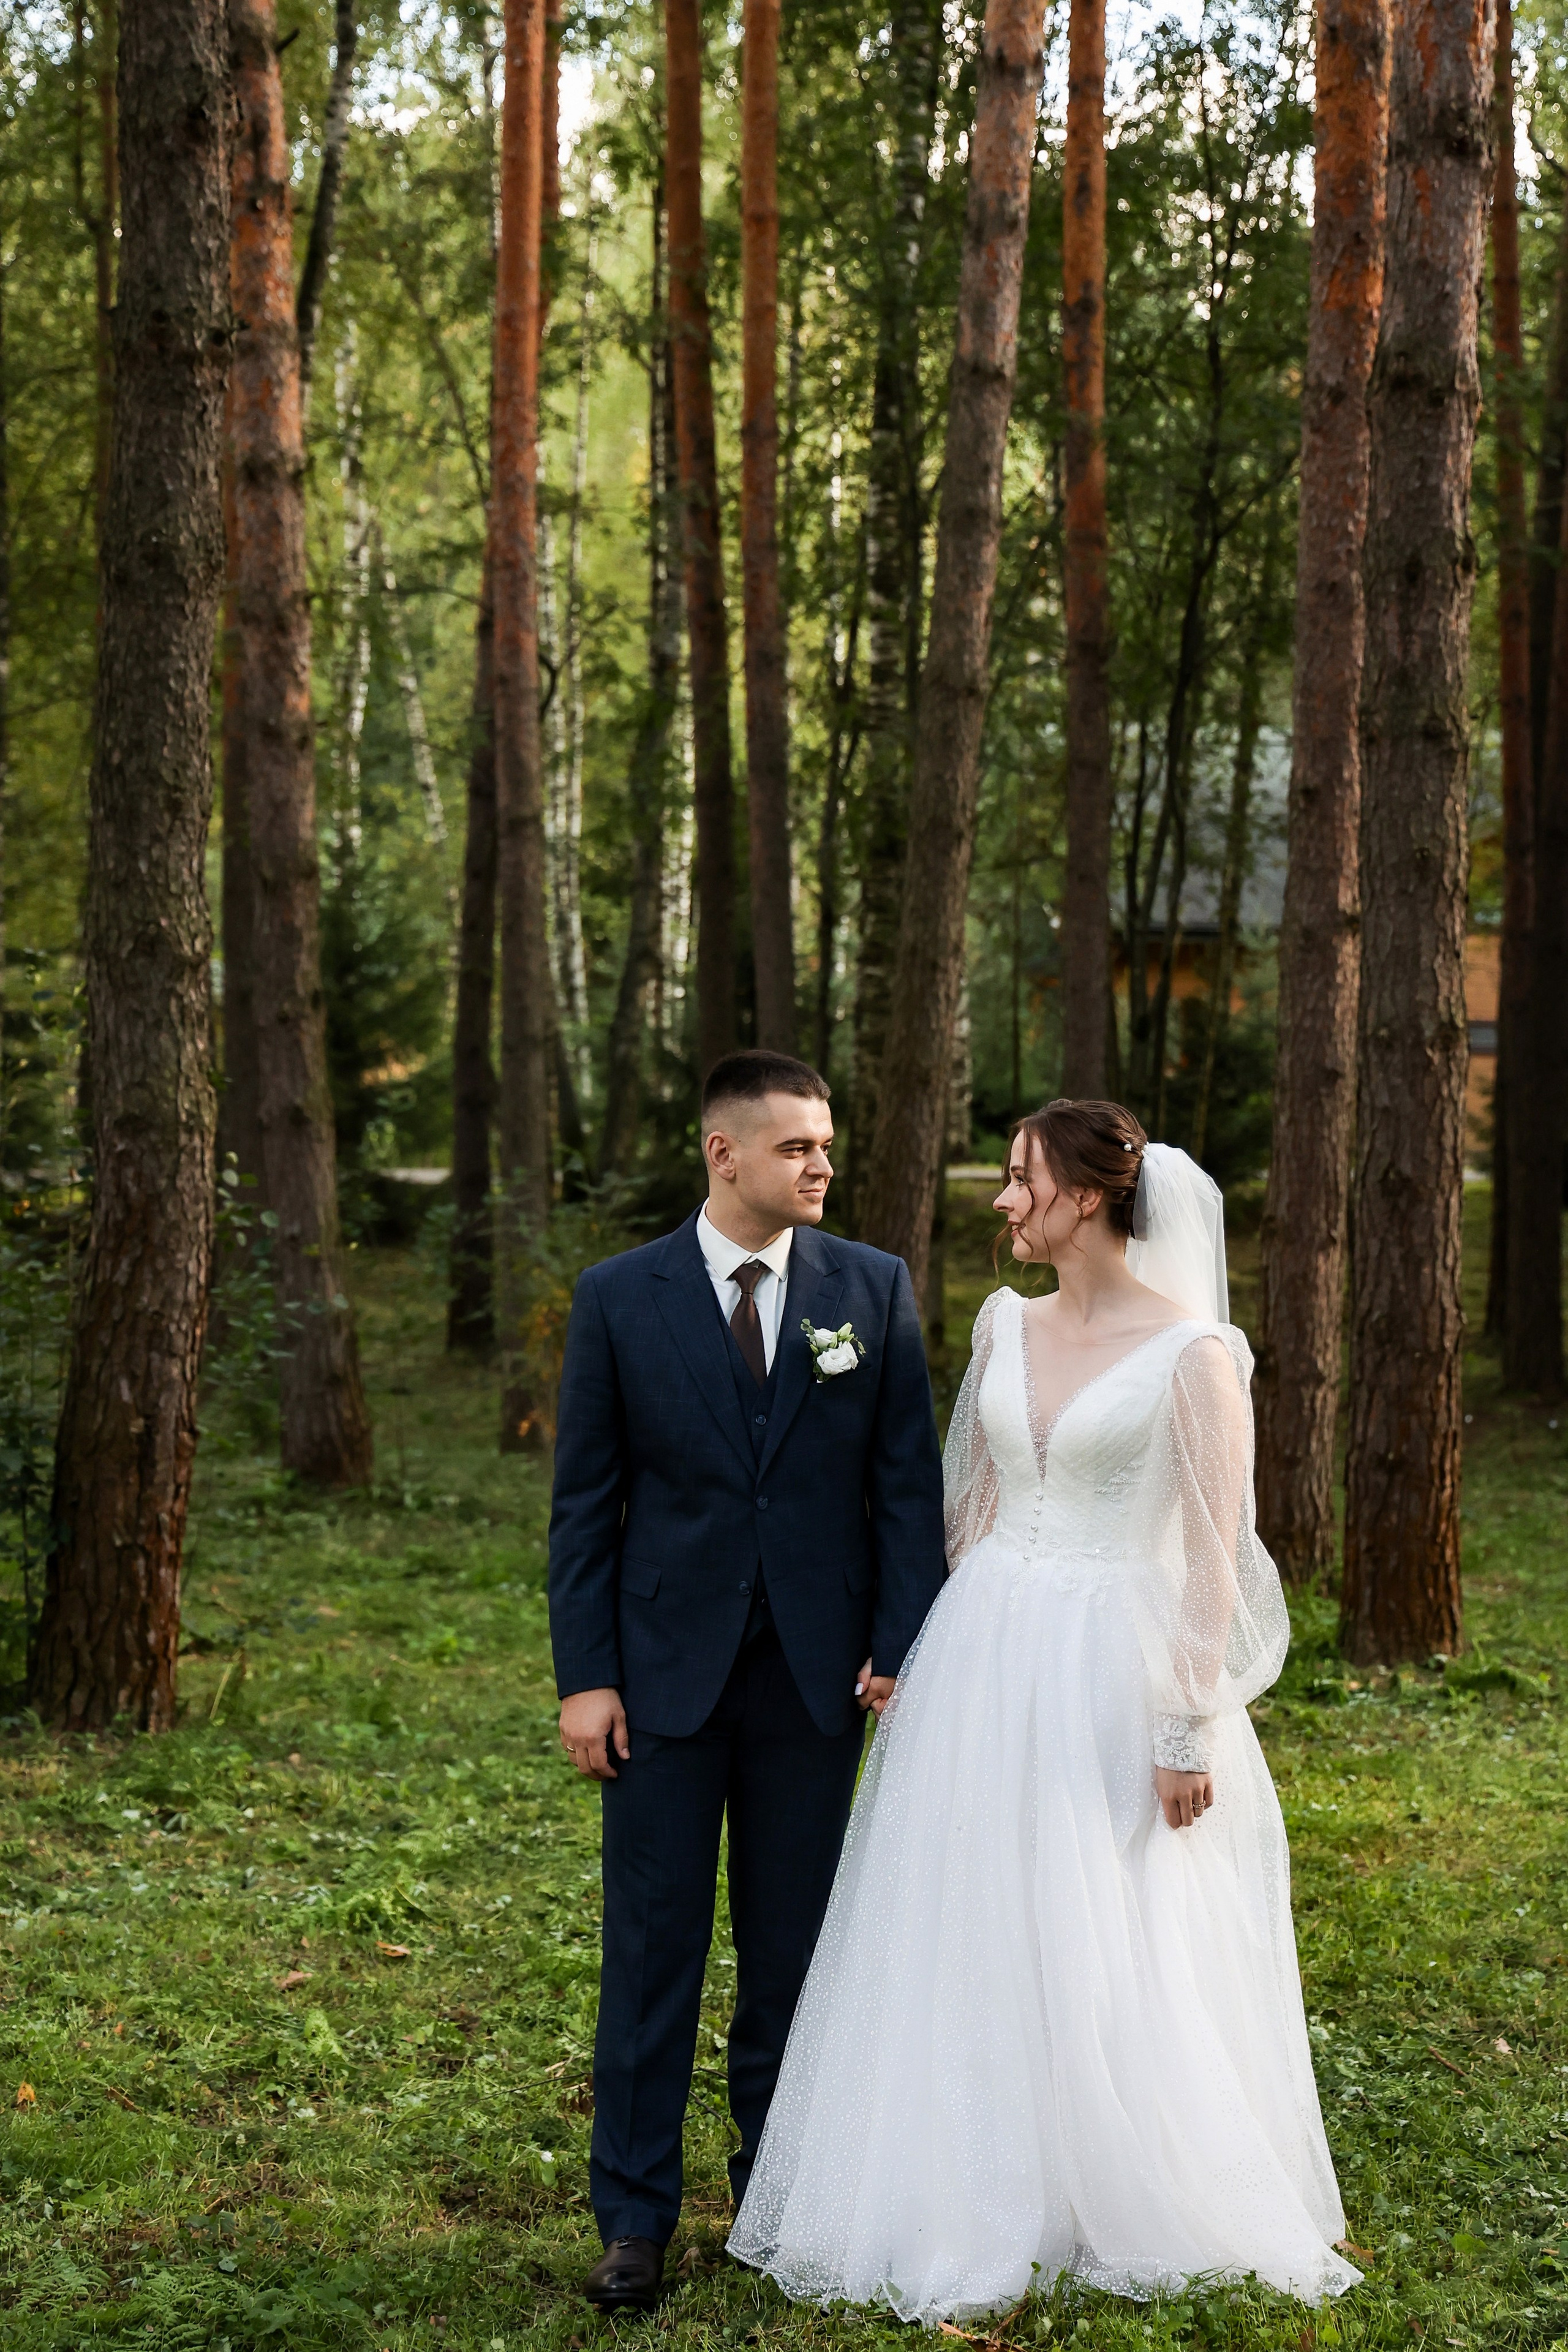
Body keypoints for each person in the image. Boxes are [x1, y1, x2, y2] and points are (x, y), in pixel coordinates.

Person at [729, 1098, 1359, 2322]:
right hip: (984, 1652)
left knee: (1102, 1915)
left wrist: (1186, 1727)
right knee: (967, 1910)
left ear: (1084, 1196)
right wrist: (909, 1651)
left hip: (1106, 1666)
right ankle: (963, 2174)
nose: (1003, 1200)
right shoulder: (1002, 1324)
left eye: (1019, 1180)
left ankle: (1109, 2180)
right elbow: (965, 1505)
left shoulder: (1195, 1355)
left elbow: (1211, 1559)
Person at [548, 1048, 947, 2313]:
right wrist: (586, 1678)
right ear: (724, 1156)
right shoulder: (618, 1298)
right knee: (651, 1953)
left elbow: (902, 1490)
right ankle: (633, 2218)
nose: (821, 1164)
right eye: (795, 1147)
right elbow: (584, 1509)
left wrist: (901, 1642)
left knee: (793, 1956)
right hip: (661, 1681)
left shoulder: (870, 1291)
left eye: (824, 1144)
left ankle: (776, 2202)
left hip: (813, 1684)